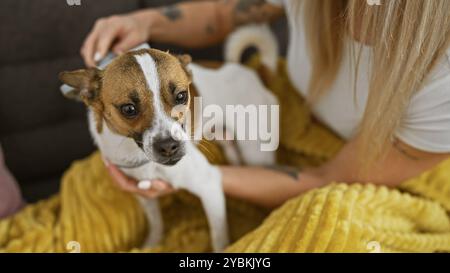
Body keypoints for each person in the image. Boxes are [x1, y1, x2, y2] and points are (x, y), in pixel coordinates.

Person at [82, 0, 450, 209]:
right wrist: (142, 21)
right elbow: (223, 15)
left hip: (383, 175)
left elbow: (329, 180)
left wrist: (197, 177)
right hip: (290, 111)